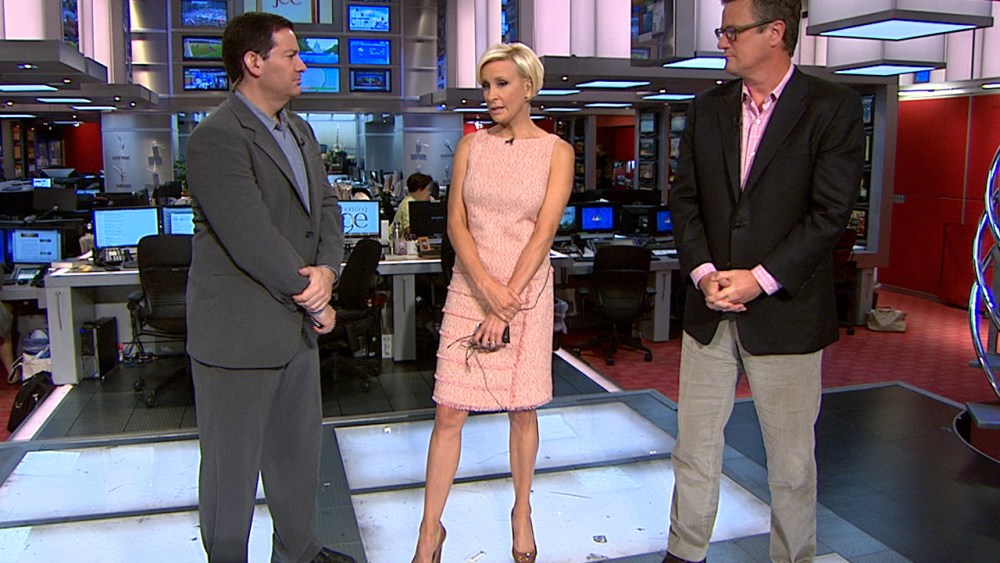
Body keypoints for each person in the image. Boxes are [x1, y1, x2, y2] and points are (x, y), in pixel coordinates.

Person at [665, 0, 864, 562]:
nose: (722, 41)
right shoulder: (707, 108)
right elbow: (685, 201)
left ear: (776, 32)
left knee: (792, 465)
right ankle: (684, 552)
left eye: (732, 31)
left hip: (786, 312)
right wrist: (704, 271)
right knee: (694, 450)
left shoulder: (832, 107)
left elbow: (829, 213)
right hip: (710, 311)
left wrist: (760, 278)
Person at [184, 12, 353, 563]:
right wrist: (313, 295)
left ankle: (298, 553)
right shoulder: (217, 137)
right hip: (238, 335)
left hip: (294, 331)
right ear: (254, 62)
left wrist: (327, 271)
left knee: (297, 460)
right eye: (291, 54)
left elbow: (326, 208)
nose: (303, 65)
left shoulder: (299, 130)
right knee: (230, 476)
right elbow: (249, 235)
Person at [411, 43, 573, 563]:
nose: (492, 95)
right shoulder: (471, 147)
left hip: (525, 293)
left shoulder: (556, 152)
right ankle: (429, 531)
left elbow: (544, 232)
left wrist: (505, 303)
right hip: (471, 287)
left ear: (528, 86)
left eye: (502, 83)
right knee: (448, 413)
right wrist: (485, 288)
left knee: (522, 411)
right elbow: (456, 223)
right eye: (486, 85)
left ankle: (521, 511)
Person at [390, 172, 434, 240]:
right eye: (427, 189)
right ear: (419, 189)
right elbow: (410, 230)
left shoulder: (411, 201)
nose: (429, 192)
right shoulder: (408, 204)